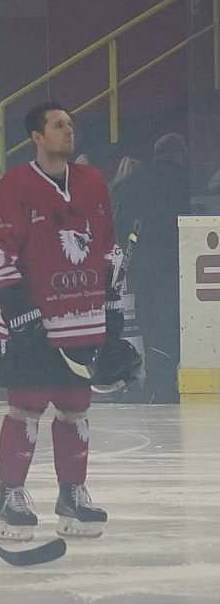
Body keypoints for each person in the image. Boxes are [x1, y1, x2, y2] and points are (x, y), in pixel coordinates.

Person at [0, 103, 122, 541]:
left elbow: (108, 245)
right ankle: (11, 494)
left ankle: (73, 493)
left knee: (76, 408)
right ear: (37, 137)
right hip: (34, 324)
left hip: (83, 321)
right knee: (26, 408)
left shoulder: (92, 182)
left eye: (70, 125)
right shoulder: (16, 185)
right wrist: (16, 304)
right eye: (58, 125)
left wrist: (113, 313)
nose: (68, 131)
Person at [110, 132, 191, 402]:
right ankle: (166, 383)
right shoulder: (181, 180)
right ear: (179, 154)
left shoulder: (132, 181)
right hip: (172, 262)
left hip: (141, 264)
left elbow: (119, 221)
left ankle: (152, 383)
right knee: (169, 324)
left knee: (147, 322)